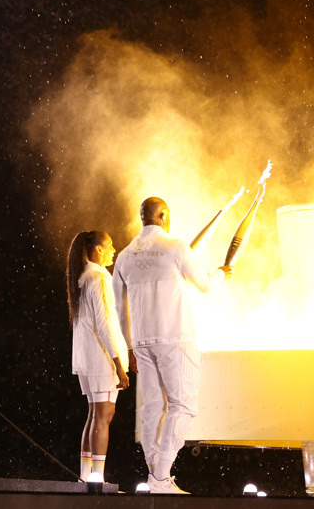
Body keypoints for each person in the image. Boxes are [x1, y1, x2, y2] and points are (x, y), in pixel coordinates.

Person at [113, 197, 233, 494]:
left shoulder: (125, 256)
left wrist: (128, 349)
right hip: (176, 338)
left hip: (142, 341)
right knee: (182, 405)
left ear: (142, 218)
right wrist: (221, 274)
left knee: (154, 406)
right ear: (164, 215)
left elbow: (118, 307)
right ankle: (161, 475)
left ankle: (158, 477)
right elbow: (204, 285)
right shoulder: (176, 247)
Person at [67, 230, 130, 484]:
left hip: (86, 359)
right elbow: (105, 325)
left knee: (94, 415)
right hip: (101, 360)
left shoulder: (81, 278)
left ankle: (86, 477)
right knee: (103, 417)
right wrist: (119, 365)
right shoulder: (98, 278)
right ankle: (97, 479)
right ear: (98, 250)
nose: (114, 250)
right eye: (110, 245)